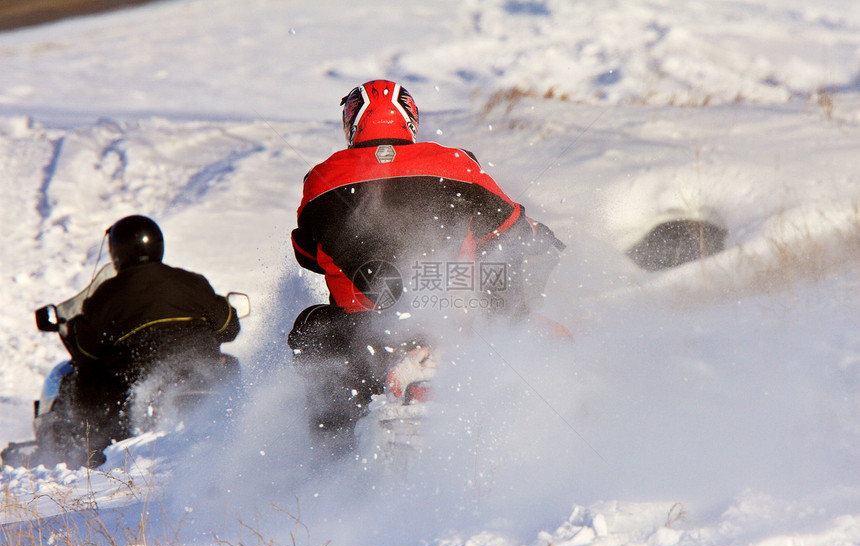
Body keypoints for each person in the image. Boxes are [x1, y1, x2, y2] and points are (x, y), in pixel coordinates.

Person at [288, 79, 565, 446]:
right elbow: (512, 228)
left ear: (352, 122)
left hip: (361, 333)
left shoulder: (322, 178)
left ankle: (331, 456)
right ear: (410, 119)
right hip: (455, 324)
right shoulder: (454, 163)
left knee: (310, 330)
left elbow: (307, 255)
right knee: (518, 321)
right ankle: (532, 437)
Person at [44, 215, 241, 467]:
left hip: (135, 389)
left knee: (83, 377)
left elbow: (86, 353)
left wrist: (75, 328)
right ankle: (251, 426)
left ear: (117, 252)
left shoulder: (107, 295)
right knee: (231, 365)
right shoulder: (191, 282)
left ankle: (88, 455)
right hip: (201, 374)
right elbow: (229, 327)